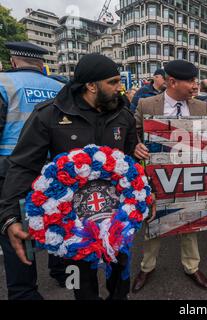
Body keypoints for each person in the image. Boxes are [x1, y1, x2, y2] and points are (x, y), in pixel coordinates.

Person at [0, 53, 140, 300]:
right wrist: (10, 216)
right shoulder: (49, 115)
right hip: (74, 223)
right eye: (114, 82)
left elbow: (131, 163)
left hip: (116, 218)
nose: (120, 88)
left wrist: (143, 197)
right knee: (81, 281)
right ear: (91, 85)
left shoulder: (124, 116)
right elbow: (23, 166)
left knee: (119, 272)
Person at [132, 60, 207, 293]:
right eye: (190, 81)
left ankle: (191, 266)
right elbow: (133, 132)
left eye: (196, 80)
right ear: (172, 82)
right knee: (153, 221)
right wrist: (136, 146)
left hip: (189, 175)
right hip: (155, 177)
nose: (195, 85)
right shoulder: (147, 104)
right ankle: (147, 268)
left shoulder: (201, 107)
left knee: (189, 221)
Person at [0, 42, 67, 300]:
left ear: (14, 61)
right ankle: (60, 271)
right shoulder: (61, 87)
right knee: (57, 218)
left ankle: (25, 292)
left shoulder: (4, 83)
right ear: (42, 65)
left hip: (12, 170)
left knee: (15, 228)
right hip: (55, 169)